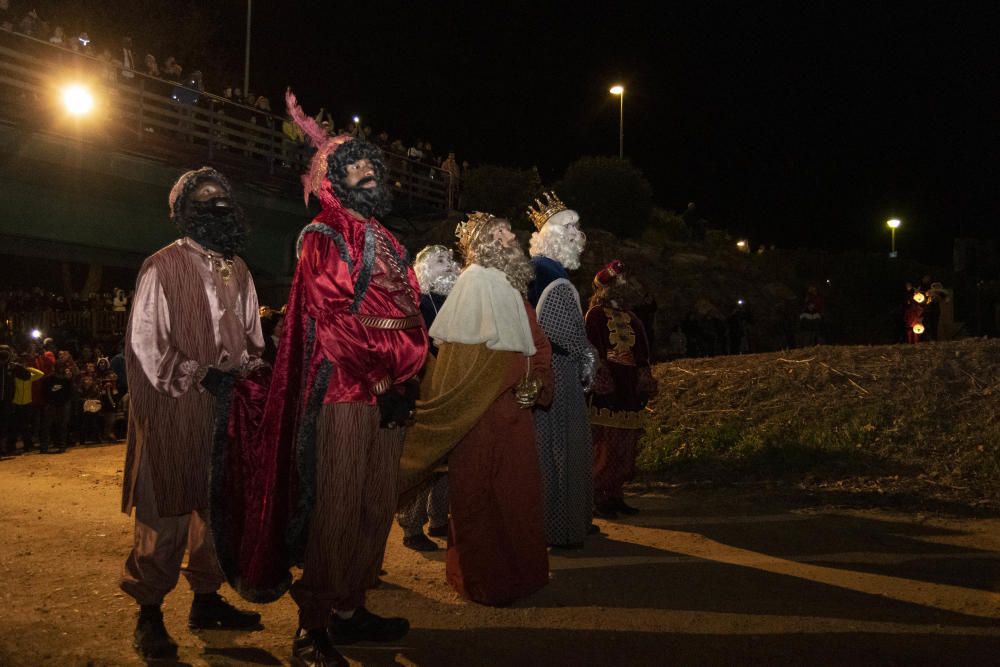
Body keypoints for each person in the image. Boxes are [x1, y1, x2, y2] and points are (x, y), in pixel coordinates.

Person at [215, 90, 429, 667]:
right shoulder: (322, 236)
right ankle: (313, 625)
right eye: (352, 167)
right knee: (335, 506)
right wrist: (383, 381)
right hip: (347, 392)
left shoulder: (388, 239)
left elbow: (408, 313)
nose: (366, 173)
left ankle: (350, 607)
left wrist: (406, 381)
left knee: (376, 502)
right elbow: (334, 321)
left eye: (371, 166)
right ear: (332, 178)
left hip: (391, 394)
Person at [119, 167, 265, 661]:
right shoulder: (161, 266)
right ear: (183, 210)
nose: (216, 202)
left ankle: (206, 600)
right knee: (167, 510)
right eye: (203, 198)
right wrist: (198, 373)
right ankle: (149, 613)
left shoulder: (241, 269)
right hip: (174, 407)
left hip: (226, 410)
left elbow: (251, 338)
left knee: (217, 508)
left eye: (223, 196)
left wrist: (249, 373)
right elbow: (145, 343)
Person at [399, 211, 553, 606]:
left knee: (518, 495)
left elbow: (536, 345)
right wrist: (506, 382)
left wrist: (535, 383)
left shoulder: (515, 292)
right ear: (484, 244)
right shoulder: (473, 286)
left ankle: (521, 575)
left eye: (510, 231)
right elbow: (465, 363)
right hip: (479, 418)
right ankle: (482, 579)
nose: (512, 237)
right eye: (502, 233)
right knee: (477, 497)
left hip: (515, 417)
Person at [526, 192, 597, 548]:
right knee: (559, 448)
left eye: (577, 227)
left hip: (556, 366)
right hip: (559, 369)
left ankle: (572, 518)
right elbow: (559, 329)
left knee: (563, 447)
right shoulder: (544, 270)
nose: (576, 234)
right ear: (551, 233)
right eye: (568, 227)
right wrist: (588, 356)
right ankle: (559, 526)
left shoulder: (544, 268)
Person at [396, 244, 461, 552]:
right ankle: (412, 525)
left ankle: (439, 518)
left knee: (447, 456)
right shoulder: (419, 301)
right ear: (424, 269)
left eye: (449, 259)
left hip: (451, 384)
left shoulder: (456, 300)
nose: (448, 265)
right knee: (425, 455)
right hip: (428, 385)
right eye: (439, 261)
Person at [586, 261, 658, 519]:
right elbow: (593, 347)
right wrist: (603, 376)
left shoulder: (633, 316)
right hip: (610, 388)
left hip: (629, 387)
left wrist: (643, 375)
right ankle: (597, 496)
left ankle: (616, 494)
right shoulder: (594, 315)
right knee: (605, 445)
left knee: (625, 445)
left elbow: (642, 351)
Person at [1, 345, 31, 456]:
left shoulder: (12, 367)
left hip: (7, 402)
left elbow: (27, 376)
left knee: (6, 425)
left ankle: (4, 448)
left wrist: (17, 367)